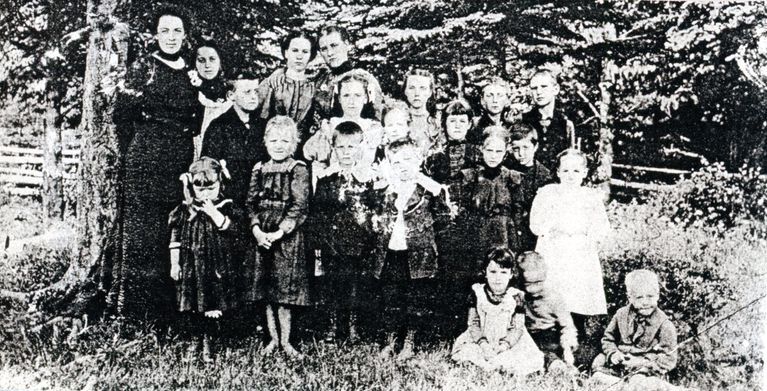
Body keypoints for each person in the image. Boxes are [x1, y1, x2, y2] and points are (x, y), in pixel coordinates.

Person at [111, 7, 199, 320]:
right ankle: (137, 313)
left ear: (185, 35)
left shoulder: (192, 71)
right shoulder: (143, 67)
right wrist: (136, 150)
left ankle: (171, 312)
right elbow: (122, 116)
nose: (171, 38)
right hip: (146, 155)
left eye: (177, 31)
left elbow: (200, 114)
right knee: (144, 233)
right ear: (156, 34)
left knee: (174, 230)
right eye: (165, 31)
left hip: (179, 156)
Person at [529, 149, 611, 359]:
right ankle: (551, 349)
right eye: (565, 170)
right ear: (557, 172)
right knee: (553, 295)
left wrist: (587, 238)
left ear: (584, 173)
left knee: (577, 297)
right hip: (554, 251)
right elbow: (536, 224)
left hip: (579, 253)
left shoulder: (590, 197)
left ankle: (577, 348)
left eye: (576, 170)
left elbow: (601, 228)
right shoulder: (547, 193)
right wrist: (553, 227)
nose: (570, 175)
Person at [372, 138, 449, 359]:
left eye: (408, 160)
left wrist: (432, 246)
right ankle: (390, 340)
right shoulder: (385, 190)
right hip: (391, 253)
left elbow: (443, 222)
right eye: (396, 162)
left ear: (418, 160)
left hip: (418, 255)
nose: (403, 166)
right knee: (391, 299)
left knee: (416, 300)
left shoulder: (429, 191)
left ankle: (410, 342)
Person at [245, 116, 311, 357]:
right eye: (273, 140)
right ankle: (272, 340)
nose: (279, 145)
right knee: (266, 292)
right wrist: (257, 230)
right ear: (265, 142)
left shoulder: (298, 169)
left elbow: (299, 205)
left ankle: (287, 341)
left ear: (294, 143)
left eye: (285, 140)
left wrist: (279, 232)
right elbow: (250, 204)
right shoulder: (259, 169)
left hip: (286, 238)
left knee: (284, 292)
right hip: (262, 237)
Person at [309, 121, 378, 343]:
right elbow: (319, 214)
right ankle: (334, 327)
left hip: (360, 246)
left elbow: (374, 213)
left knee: (357, 286)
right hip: (334, 245)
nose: (346, 152)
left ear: (361, 147)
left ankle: (354, 327)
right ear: (333, 148)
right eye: (341, 147)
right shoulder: (327, 180)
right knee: (333, 286)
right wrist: (321, 245)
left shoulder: (368, 180)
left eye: (351, 147)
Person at [168, 157, 243, 362]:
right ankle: (195, 340)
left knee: (215, 303)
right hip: (192, 266)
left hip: (217, 266)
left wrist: (214, 213)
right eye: (200, 190)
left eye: (211, 188)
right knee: (193, 304)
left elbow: (235, 231)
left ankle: (212, 341)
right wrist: (175, 263)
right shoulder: (185, 210)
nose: (206, 194)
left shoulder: (226, 206)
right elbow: (175, 239)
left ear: (221, 183)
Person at [451, 247, 544, 374]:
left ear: (511, 274)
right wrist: (483, 344)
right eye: (493, 272)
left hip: (507, 342)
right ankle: (483, 364)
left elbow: (518, 328)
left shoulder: (516, 296)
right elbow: (473, 324)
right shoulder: (477, 293)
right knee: (469, 353)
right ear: (485, 272)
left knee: (515, 359)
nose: (498, 278)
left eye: (503, 272)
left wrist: (505, 345)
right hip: (481, 339)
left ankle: (500, 365)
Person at [591, 270, 680, 391]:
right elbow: (608, 339)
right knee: (597, 367)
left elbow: (668, 359)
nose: (645, 302)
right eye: (639, 297)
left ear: (658, 295)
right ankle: (620, 385)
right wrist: (613, 354)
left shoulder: (664, 324)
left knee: (639, 383)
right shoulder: (621, 315)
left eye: (650, 296)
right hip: (620, 364)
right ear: (630, 298)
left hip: (645, 369)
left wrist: (642, 363)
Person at [304, 71, 383, 182]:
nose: (352, 101)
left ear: (365, 98)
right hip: (334, 183)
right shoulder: (330, 126)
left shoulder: (372, 128)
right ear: (339, 98)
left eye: (357, 95)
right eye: (346, 95)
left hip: (364, 184)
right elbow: (308, 153)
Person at [202, 72, 266, 206]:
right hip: (230, 200)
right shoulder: (218, 127)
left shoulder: (263, 125)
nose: (254, 97)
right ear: (231, 96)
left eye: (255, 91)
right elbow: (208, 168)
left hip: (260, 198)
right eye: (247, 92)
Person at [462, 129, 523, 260]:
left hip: (504, 234)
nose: (493, 156)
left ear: (506, 152)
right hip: (476, 234)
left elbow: (518, 211)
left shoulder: (512, 178)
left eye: (499, 151)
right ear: (481, 149)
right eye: (489, 150)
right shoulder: (470, 177)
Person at [258, 31, 318, 155]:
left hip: (303, 152)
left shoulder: (314, 87)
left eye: (305, 52)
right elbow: (259, 118)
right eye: (295, 50)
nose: (299, 56)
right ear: (286, 53)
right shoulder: (272, 83)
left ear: (311, 55)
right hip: (272, 151)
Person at [517, 251, 577, 371]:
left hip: (551, 338)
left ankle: (565, 368)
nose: (534, 289)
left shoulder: (553, 297)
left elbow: (567, 326)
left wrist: (567, 347)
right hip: (529, 340)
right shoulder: (519, 296)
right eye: (528, 284)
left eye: (539, 282)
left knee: (568, 357)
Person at [313, 26, 383, 121]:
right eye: (324, 49)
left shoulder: (365, 79)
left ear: (346, 44)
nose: (329, 53)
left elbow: (377, 118)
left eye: (334, 45)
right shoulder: (320, 81)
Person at [506, 123, 553, 252]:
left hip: (533, 236)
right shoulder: (506, 171)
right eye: (516, 149)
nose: (521, 153)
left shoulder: (545, 176)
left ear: (535, 146)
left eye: (526, 147)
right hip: (510, 233)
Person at [521, 69, 576, 172]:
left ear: (555, 89)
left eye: (544, 87)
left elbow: (570, 162)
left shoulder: (566, 125)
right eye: (534, 88)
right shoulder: (523, 121)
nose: (539, 92)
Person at [191, 40, 232, 159]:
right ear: (195, 64)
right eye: (201, 60)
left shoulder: (230, 93)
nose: (207, 65)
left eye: (212, 59)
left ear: (220, 62)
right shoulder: (190, 92)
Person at [402, 69, 444, 155]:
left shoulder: (437, 123)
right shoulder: (398, 121)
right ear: (405, 91)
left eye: (422, 88)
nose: (417, 93)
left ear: (429, 92)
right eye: (411, 88)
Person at [469, 77, 514, 145]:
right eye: (489, 96)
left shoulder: (512, 125)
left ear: (507, 100)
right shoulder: (474, 126)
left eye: (500, 96)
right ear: (482, 100)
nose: (495, 100)